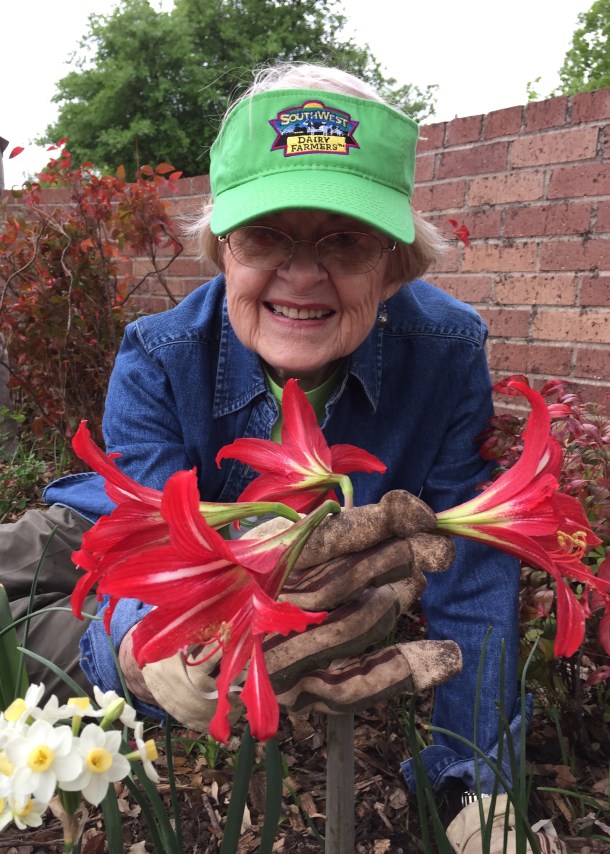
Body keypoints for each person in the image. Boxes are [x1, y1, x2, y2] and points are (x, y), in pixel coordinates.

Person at [2, 62, 558, 851]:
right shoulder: (159, 354)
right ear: (223, 251)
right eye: (266, 235)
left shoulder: (445, 348)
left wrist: (478, 782)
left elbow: (470, 565)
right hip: (114, 519)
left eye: (346, 240)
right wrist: (147, 654)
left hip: (236, 557)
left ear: (395, 264)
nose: (302, 275)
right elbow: (154, 550)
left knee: (44, 645)